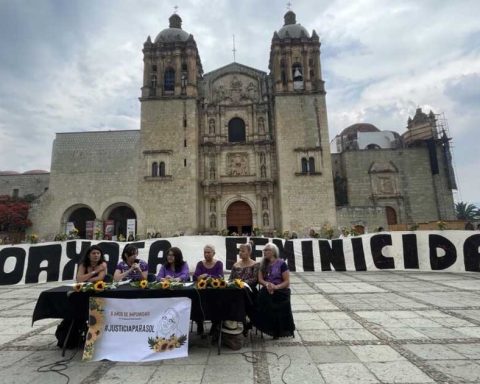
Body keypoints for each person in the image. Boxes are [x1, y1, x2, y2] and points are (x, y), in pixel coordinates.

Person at [255, 243, 295, 339]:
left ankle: (278, 330)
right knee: (262, 300)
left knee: (277, 303)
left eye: (267, 250)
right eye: (264, 250)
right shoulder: (262, 264)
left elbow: (287, 282)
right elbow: (260, 280)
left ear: (273, 252)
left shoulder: (281, 263)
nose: (264, 252)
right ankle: (268, 327)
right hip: (267, 288)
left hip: (280, 289)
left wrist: (275, 287)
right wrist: (268, 285)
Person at [193, 244, 224, 336]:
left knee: (217, 303)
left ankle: (215, 325)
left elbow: (220, 277)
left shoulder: (219, 264)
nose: (206, 254)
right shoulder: (200, 264)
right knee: (196, 302)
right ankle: (199, 324)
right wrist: (199, 277)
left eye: (208, 252)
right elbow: (195, 277)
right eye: (205, 252)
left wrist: (207, 276)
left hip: (215, 291)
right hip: (202, 291)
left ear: (213, 253)